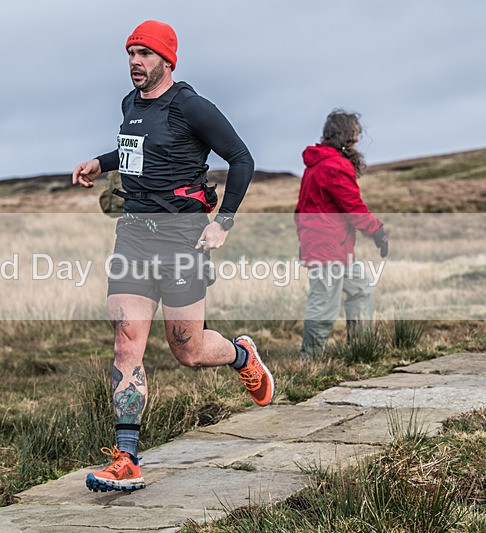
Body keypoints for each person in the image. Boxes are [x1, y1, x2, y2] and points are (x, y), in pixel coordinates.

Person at [72, 20, 274, 493]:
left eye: (144, 54)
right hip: (134, 239)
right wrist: (101, 162)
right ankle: (127, 458)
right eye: (130, 53)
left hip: (183, 239)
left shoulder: (191, 106)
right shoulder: (129, 105)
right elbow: (137, 151)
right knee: (126, 343)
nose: (135, 62)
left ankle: (242, 355)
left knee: (188, 348)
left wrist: (223, 221)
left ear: (166, 58)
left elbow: (241, 158)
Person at [294, 109, 389, 359]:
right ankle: (309, 361)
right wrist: (378, 231)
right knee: (324, 305)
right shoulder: (333, 166)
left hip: (333, 246)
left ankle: (361, 350)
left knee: (361, 291)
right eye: (355, 135)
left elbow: (301, 209)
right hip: (328, 248)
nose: (358, 140)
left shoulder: (319, 164)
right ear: (346, 137)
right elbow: (354, 209)